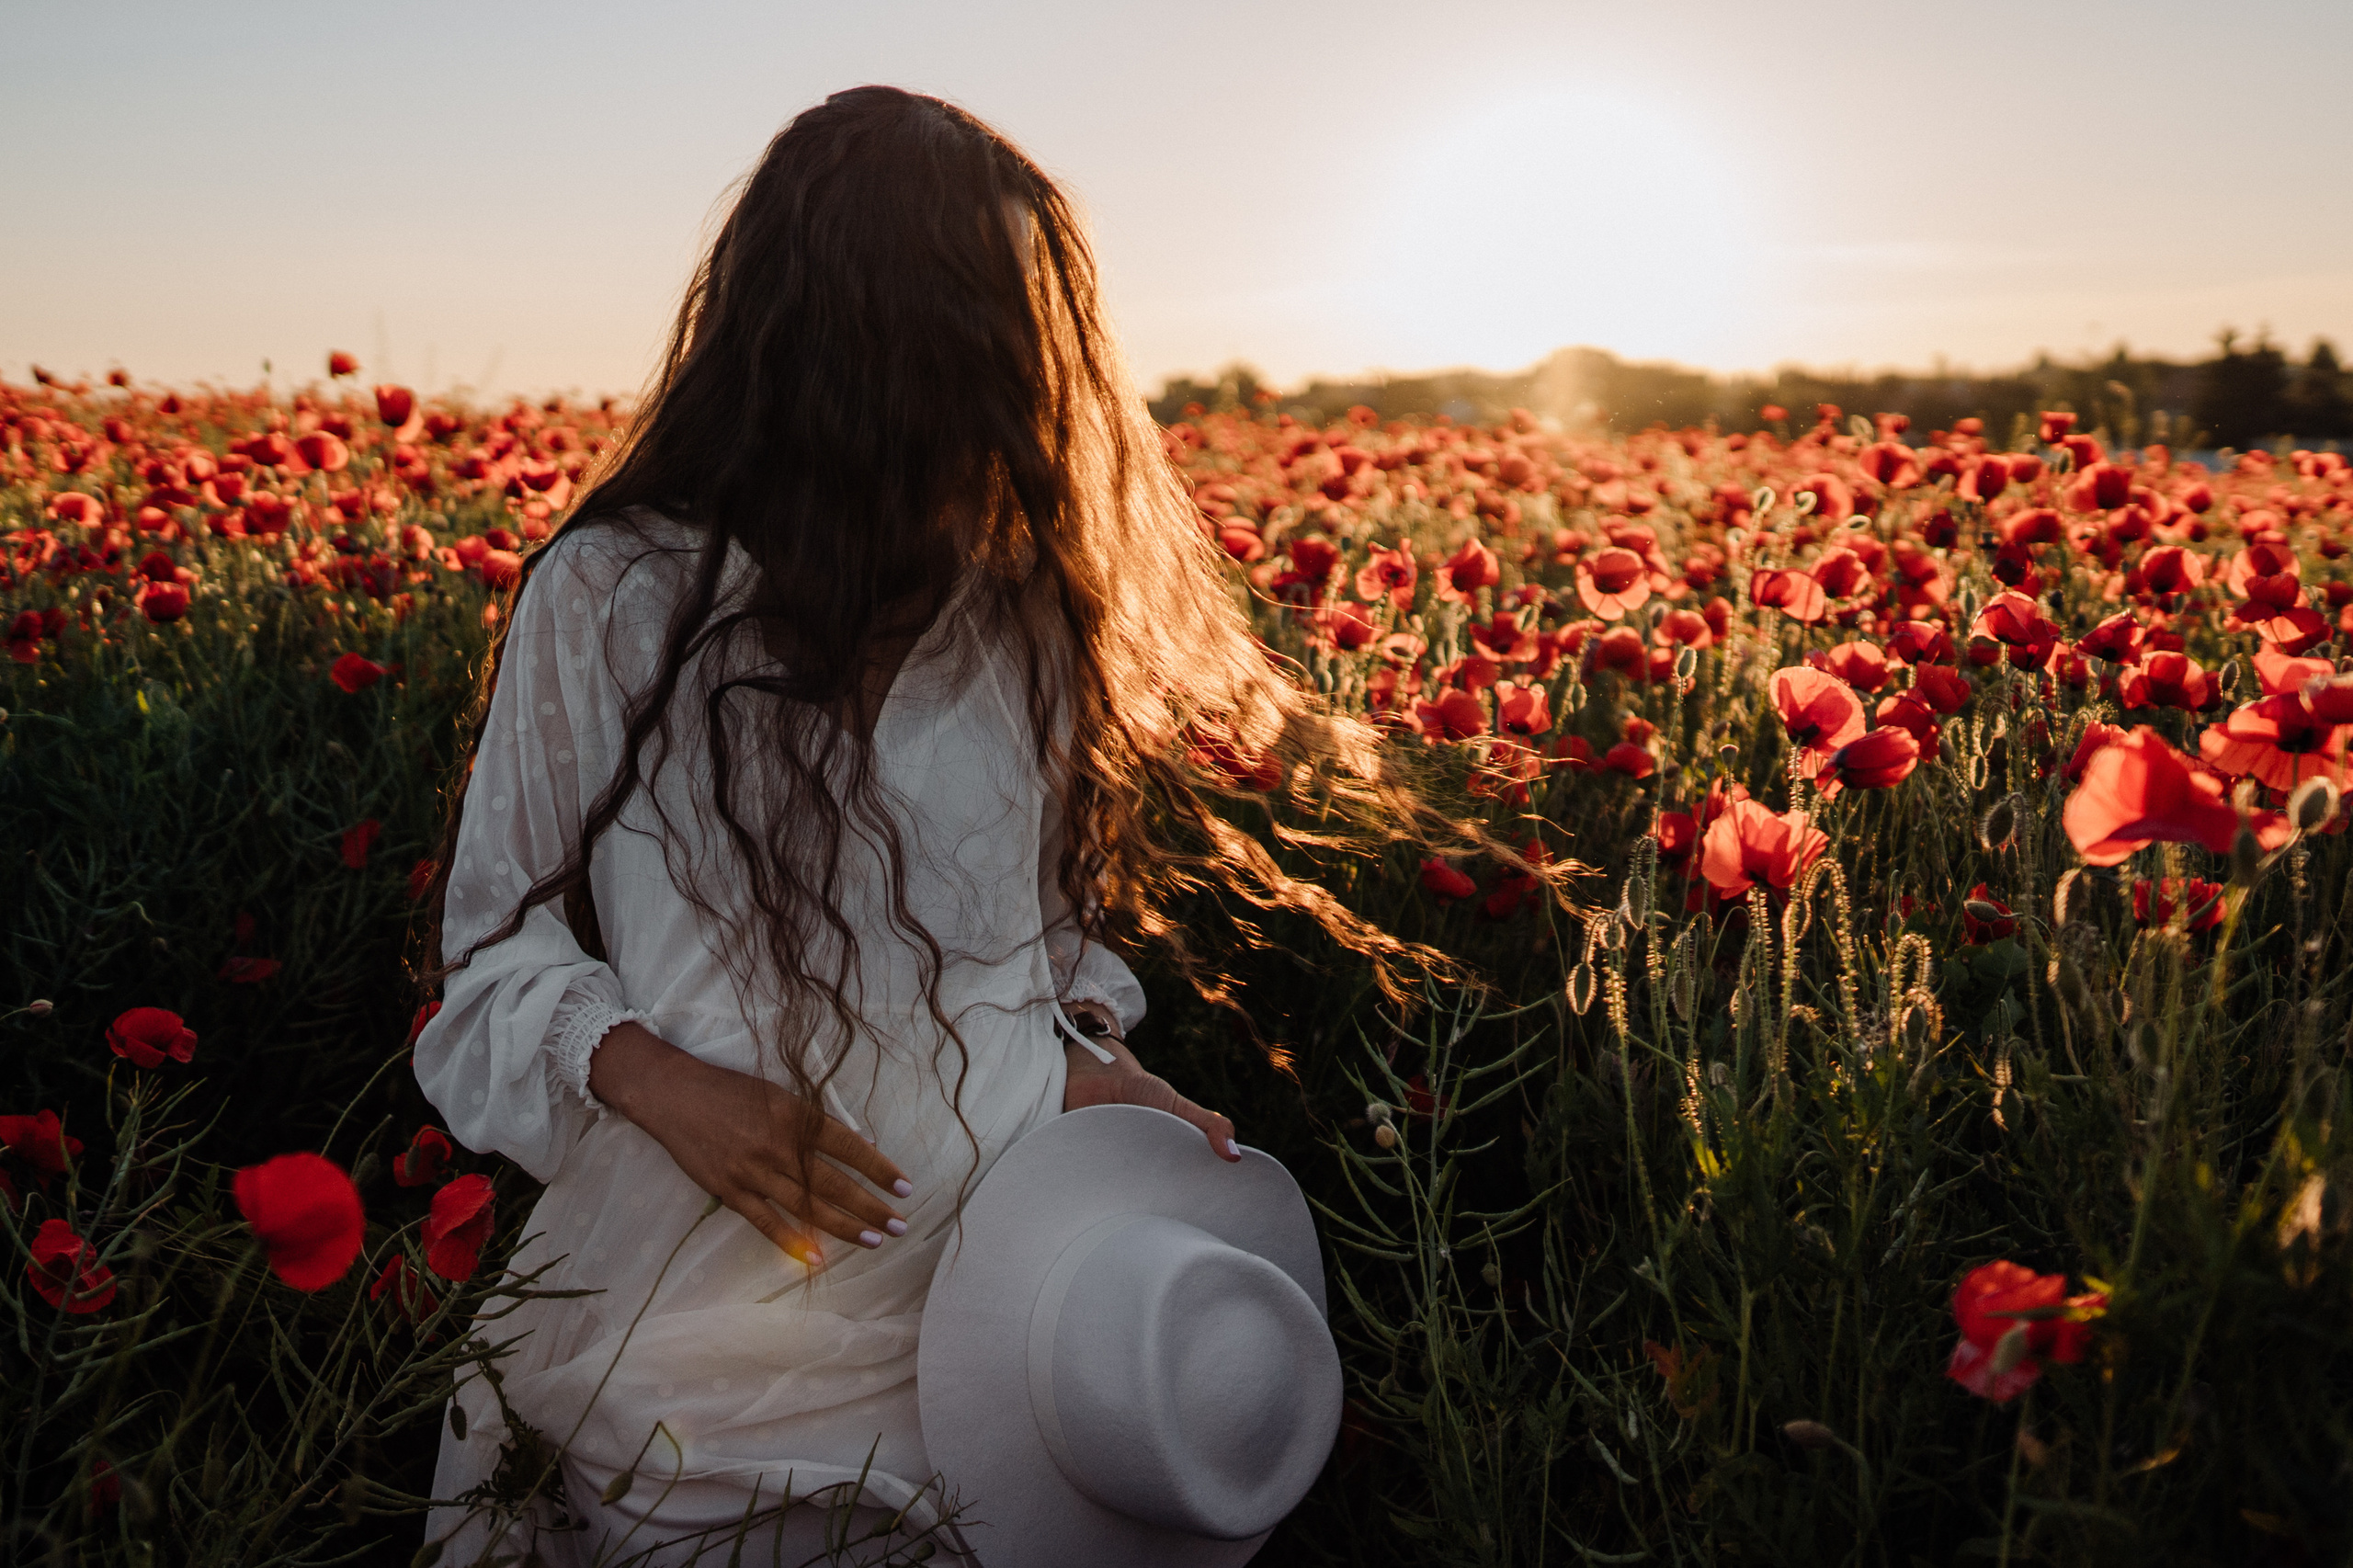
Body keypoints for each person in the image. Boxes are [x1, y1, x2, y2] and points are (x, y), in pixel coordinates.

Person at [413, 85, 1466, 1567]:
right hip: (688, 1311)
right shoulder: (614, 597)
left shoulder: (1024, 620)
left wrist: (1100, 1070)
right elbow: (491, 961)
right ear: (856, 344)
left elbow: (1026, 957)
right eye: (987, 335)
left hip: (999, 1306)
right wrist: (665, 1082)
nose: (1028, 386)